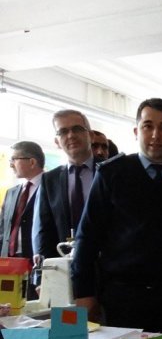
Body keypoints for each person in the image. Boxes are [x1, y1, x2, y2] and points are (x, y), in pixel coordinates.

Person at [71, 98, 162, 332]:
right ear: (136, 132)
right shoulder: (112, 174)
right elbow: (87, 237)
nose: (155, 135)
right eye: (147, 126)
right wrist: (84, 292)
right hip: (124, 296)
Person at [33, 109, 97, 258]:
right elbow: (44, 228)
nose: (71, 135)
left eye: (77, 129)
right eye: (63, 132)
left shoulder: (111, 171)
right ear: (57, 142)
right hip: (64, 262)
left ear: (91, 135)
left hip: (109, 263)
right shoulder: (49, 179)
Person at [0, 141, 45, 299]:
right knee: (9, 307)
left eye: (14, 159)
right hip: (9, 265)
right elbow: (3, 230)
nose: (11, 164)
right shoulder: (12, 192)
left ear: (32, 162)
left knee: (39, 308)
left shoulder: (52, 186)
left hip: (37, 263)